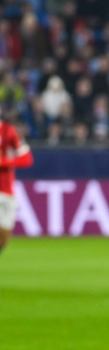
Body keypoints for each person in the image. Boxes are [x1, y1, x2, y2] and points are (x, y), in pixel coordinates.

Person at [0, 108, 34, 256]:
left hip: (5, 190)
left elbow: (27, 159)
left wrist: (4, 162)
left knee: (4, 238)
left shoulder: (8, 131)